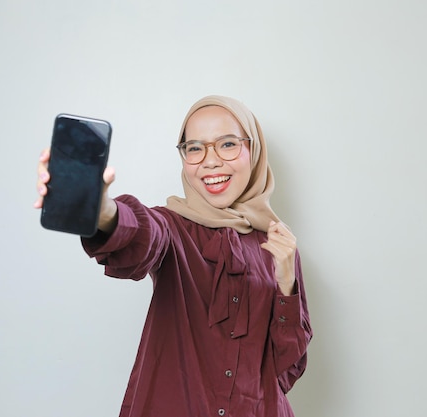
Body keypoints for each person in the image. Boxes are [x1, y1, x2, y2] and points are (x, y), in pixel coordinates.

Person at [34, 95, 313, 417]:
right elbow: (142, 235)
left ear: (255, 151)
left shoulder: (279, 244)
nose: (210, 161)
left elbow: (287, 367)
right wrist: (101, 210)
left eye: (227, 144)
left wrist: (286, 285)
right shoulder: (173, 227)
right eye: (194, 148)